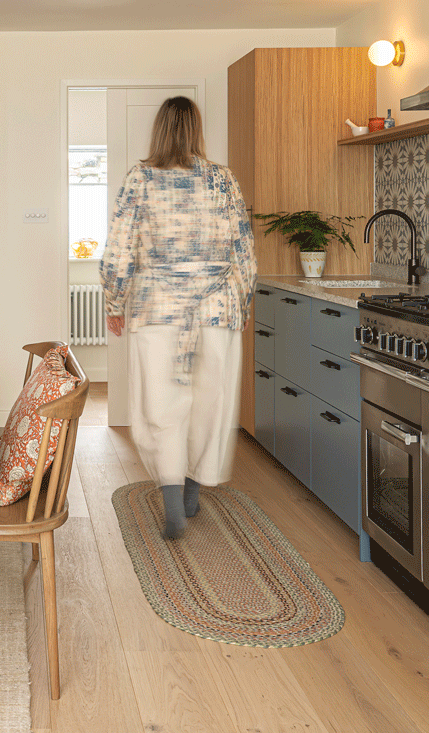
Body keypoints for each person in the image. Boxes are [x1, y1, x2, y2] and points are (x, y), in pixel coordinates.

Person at [100, 97, 257, 539]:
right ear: (196, 130)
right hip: (216, 306)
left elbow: (118, 249)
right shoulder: (222, 179)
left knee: (162, 403)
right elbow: (242, 249)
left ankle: (171, 499)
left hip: (157, 308)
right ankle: (191, 491)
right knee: (210, 403)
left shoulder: (141, 178)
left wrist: (115, 303)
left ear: (159, 129)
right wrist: (241, 303)